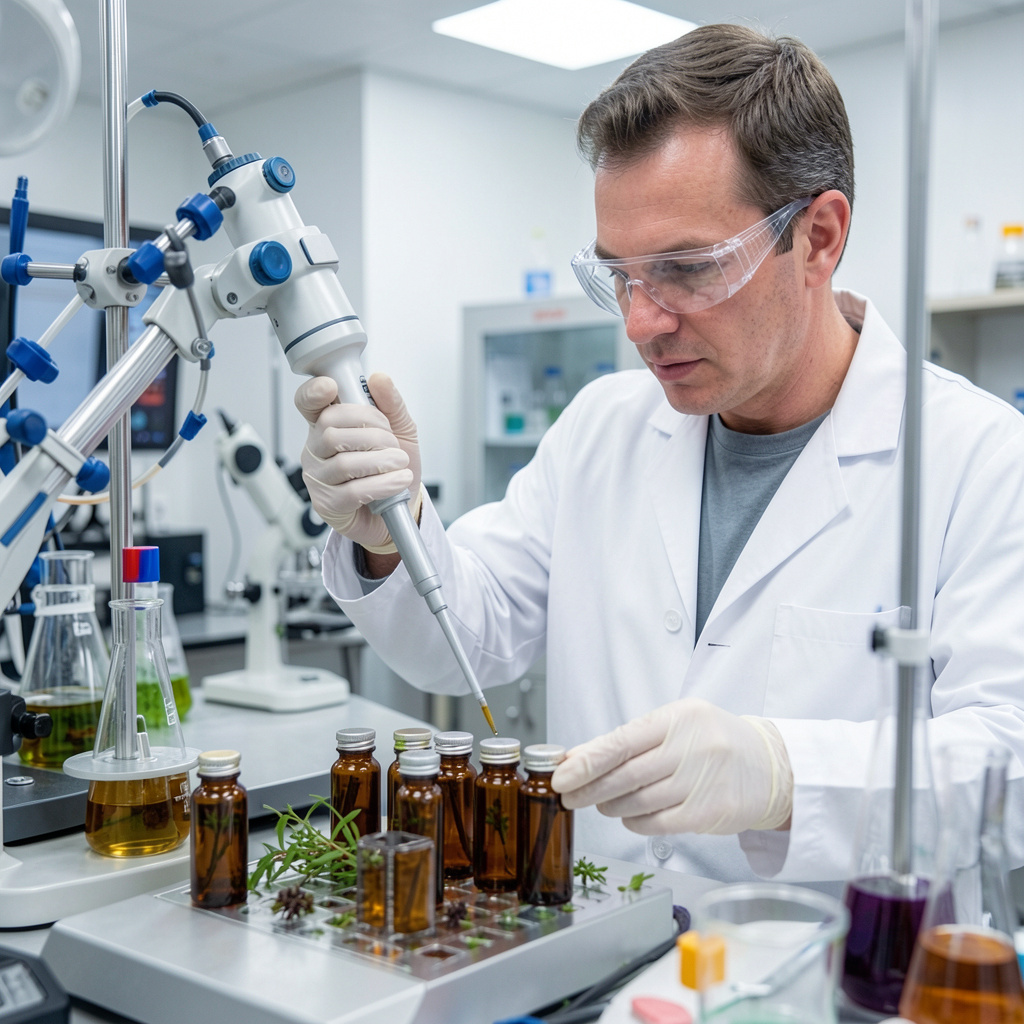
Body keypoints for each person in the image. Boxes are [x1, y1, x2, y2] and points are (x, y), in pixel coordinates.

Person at [294, 24, 1024, 888]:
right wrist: (392, 528)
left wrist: (788, 773)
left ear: (820, 237)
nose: (642, 322)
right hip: (602, 960)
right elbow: (471, 639)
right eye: (622, 275)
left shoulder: (979, 462)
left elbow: (1007, 774)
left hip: (824, 988)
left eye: (686, 267)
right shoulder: (603, 426)